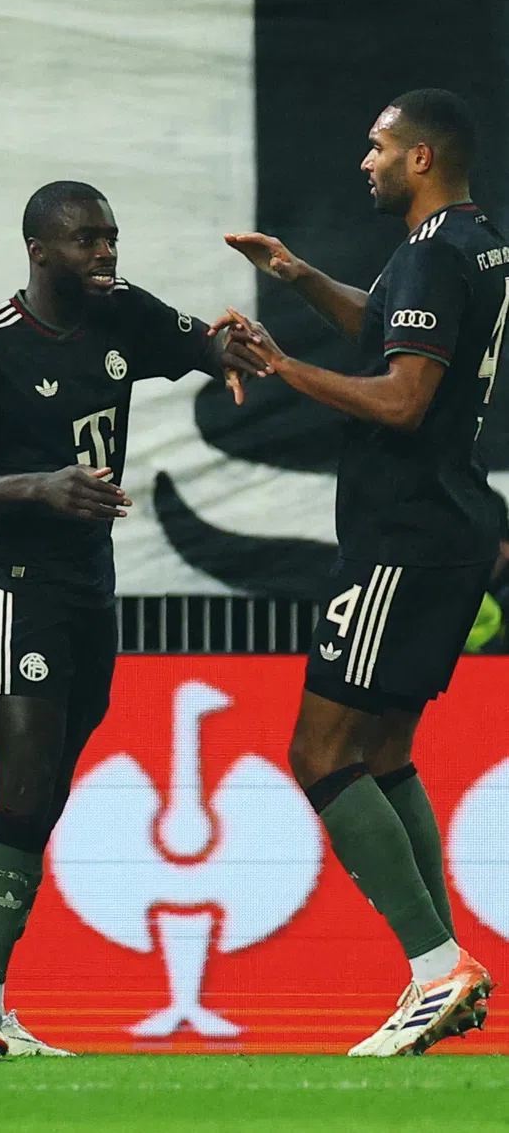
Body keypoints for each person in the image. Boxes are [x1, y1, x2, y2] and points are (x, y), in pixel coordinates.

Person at [0, 180, 255, 1055]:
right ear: (39, 251)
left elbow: (196, 342)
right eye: (86, 241)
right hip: (10, 586)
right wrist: (36, 486)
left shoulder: (123, 315)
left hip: (88, 592)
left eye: (110, 237)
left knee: (48, 793)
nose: (106, 253)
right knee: (26, 784)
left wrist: (234, 348)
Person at [219, 88, 499, 1056]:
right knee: (383, 754)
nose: (365, 160)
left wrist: (283, 370)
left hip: (400, 537)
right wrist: (295, 277)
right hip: (449, 525)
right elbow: (385, 327)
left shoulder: (433, 252)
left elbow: (402, 398)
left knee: (319, 751)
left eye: (378, 146)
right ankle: (444, 966)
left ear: (422, 157)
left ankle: (434, 966)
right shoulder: (473, 242)